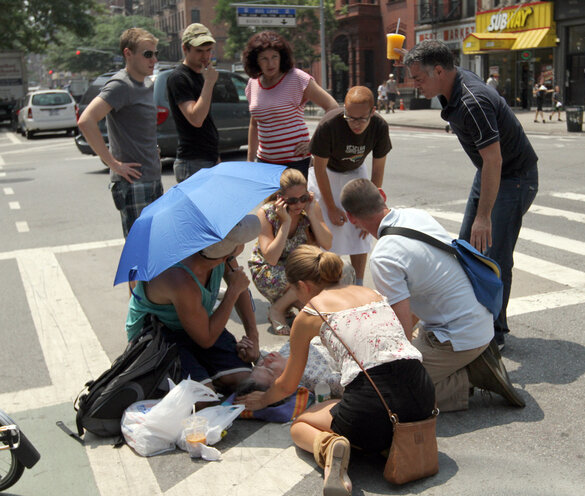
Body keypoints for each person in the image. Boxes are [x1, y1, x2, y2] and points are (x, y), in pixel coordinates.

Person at [237, 245, 435, 495]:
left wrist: (263, 400)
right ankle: (386, 443)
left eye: (295, 292)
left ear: (303, 286)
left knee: (301, 425)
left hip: (373, 407)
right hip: (424, 398)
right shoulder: (372, 293)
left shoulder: (310, 313)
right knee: (350, 408)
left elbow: (287, 384)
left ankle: (330, 447)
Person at [341, 178, 525, 412]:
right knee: (386, 375)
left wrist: (383, 369)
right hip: (476, 321)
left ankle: (466, 379)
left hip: (460, 338)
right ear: (382, 195)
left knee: (386, 395)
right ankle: (459, 366)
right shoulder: (417, 216)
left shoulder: (384, 257)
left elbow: (402, 333)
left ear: (350, 218)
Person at [403, 40, 538, 350]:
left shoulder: (472, 102)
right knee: (465, 251)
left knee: (493, 258)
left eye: (418, 78)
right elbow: (488, 164)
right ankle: (469, 321)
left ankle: (494, 335)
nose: (415, 85)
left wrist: (484, 216)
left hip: (514, 178)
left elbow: (494, 160)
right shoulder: (451, 80)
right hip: (490, 174)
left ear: (438, 71)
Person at [125, 215, 261, 393]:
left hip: (196, 323)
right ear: (225, 255)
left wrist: (253, 337)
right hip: (159, 332)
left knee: (244, 381)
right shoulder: (180, 279)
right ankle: (165, 377)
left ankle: (202, 370)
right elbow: (206, 339)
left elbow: (239, 285)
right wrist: (232, 292)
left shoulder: (216, 254)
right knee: (200, 398)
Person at [78, 28, 162, 238]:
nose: (153, 59)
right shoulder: (120, 85)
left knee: (155, 250)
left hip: (152, 177)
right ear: (128, 54)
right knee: (140, 252)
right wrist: (113, 163)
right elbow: (86, 120)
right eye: (147, 54)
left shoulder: (146, 84)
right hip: (134, 184)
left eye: (155, 53)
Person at [308, 86, 392, 286]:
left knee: (360, 229)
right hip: (327, 172)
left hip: (355, 170)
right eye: (350, 117)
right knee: (329, 228)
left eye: (362, 118)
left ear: (372, 111)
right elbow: (319, 169)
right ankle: (328, 281)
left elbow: (378, 170)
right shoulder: (329, 125)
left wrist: (369, 211)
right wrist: (330, 206)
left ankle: (359, 282)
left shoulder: (379, 126)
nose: (355, 124)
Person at [243, 31, 338, 178]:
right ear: (256, 61)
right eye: (264, 59)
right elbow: (255, 123)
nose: (271, 63)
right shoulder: (252, 84)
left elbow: (332, 108)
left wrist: (315, 143)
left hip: (296, 163)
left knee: (297, 202)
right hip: (265, 163)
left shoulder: (296, 78)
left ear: (282, 56)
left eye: (275, 57)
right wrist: (250, 159)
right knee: (271, 202)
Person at [248, 168, 332, 335]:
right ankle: (277, 309)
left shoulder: (309, 208)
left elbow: (327, 244)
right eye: (293, 201)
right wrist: (285, 223)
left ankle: (291, 303)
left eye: (303, 198)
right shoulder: (266, 213)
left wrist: (312, 215)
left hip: (296, 268)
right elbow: (271, 258)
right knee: (308, 285)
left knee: (315, 308)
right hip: (268, 270)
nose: (299, 204)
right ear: (280, 198)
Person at [166, 23, 220, 183]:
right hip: (192, 161)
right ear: (185, 49)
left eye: (208, 50)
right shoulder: (179, 77)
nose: (205, 56)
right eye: (199, 51)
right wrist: (209, 83)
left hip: (207, 157)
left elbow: (207, 122)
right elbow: (196, 119)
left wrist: (215, 155)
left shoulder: (201, 75)